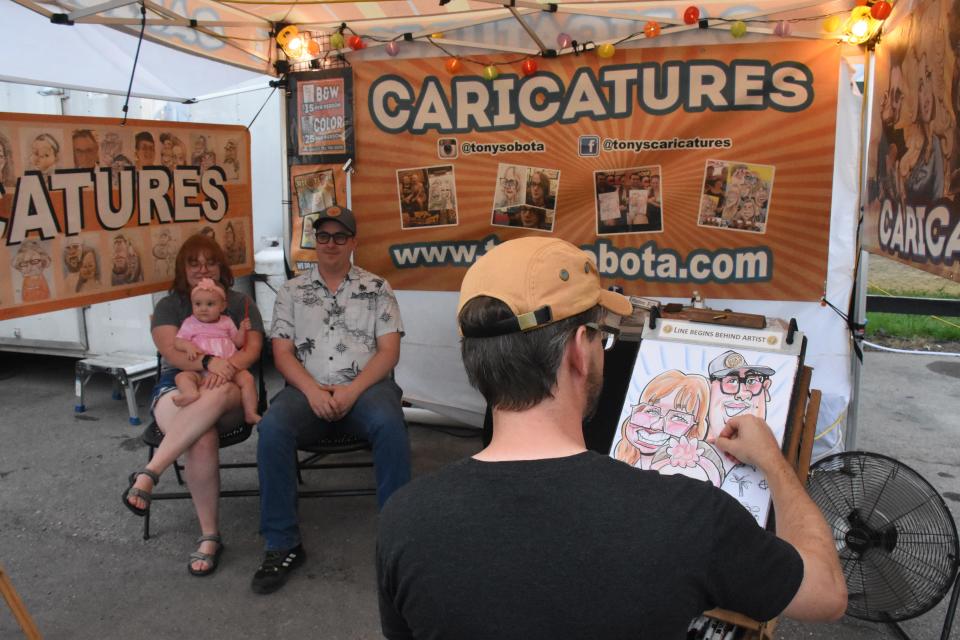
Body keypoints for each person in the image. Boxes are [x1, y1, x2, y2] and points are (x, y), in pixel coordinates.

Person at [377, 237, 847, 639]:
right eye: (602, 338)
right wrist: (775, 463)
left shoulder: (405, 520)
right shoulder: (691, 516)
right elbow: (826, 594)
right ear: (580, 350)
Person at [253, 205, 411, 595]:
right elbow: (282, 352)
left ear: (353, 242)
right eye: (323, 236)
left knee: (391, 425)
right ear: (314, 241)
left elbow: (388, 353)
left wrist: (351, 390)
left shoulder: (377, 288)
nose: (330, 244)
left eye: (340, 236)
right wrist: (311, 391)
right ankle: (282, 543)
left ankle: (401, 541)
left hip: (366, 389)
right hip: (307, 390)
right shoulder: (291, 291)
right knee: (272, 428)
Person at [122, 234, 264, 577]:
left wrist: (224, 366)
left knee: (215, 396)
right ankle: (210, 536)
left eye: (210, 261)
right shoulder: (170, 307)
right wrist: (206, 364)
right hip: (179, 384)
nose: (203, 268)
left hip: (230, 385)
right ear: (182, 269)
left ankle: (149, 473)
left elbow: (252, 349)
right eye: (193, 262)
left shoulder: (240, 303)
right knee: (201, 435)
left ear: (222, 266)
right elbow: (173, 352)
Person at [173, 277, 261, 424]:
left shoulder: (226, 321)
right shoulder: (190, 323)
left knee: (248, 379)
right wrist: (188, 346)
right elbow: (178, 341)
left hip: (228, 367)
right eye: (198, 304)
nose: (203, 308)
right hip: (200, 370)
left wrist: (242, 330)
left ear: (222, 306)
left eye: (210, 304)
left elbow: (237, 342)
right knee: (182, 377)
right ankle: (190, 392)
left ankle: (250, 412)